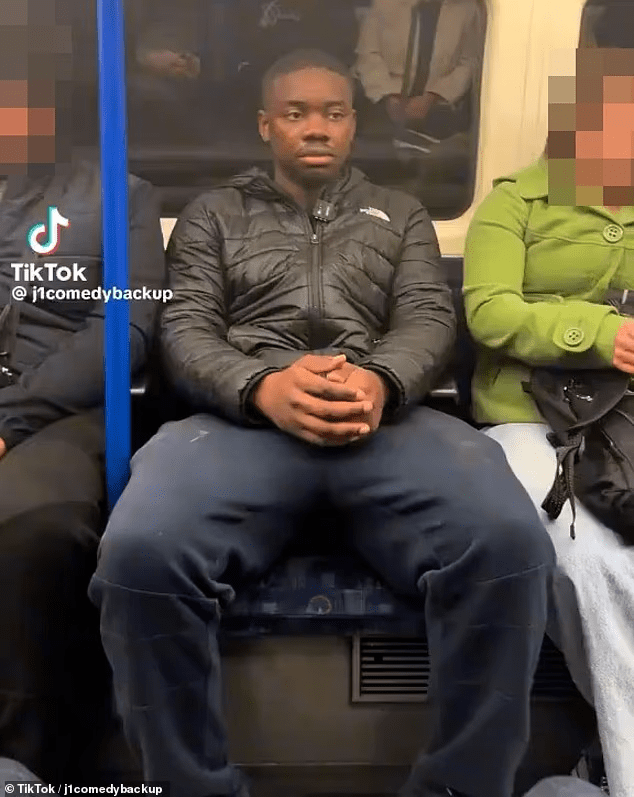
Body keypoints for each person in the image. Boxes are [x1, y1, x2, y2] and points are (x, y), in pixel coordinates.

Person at [89, 49, 556, 797]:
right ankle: (194, 786)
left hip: (383, 415)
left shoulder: (401, 213)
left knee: (510, 543)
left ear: (353, 125)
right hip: (242, 421)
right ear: (265, 125)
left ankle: (458, 786)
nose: (317, 128)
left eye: (334, 114)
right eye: (297, 113)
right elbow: (185, 329)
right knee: (139, 556)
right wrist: (263, 386)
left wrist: (380, 379)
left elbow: (428, 318)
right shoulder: (213, 214)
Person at [462, 48, 634, 797]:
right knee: (592, 560)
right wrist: (596, 331)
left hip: (627, 421)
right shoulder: (515, 204)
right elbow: (489, 311)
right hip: (532, 416)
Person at [353, 0, 483, 140]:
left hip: (440, 114)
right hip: (379, 107)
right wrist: (389, 94)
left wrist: (431, 97)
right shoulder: (385, 4)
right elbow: (367, 53)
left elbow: (469, 63)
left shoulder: (468, 9)